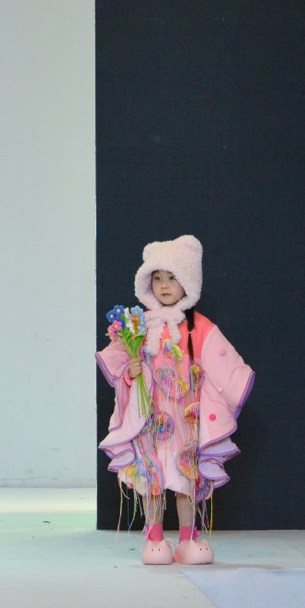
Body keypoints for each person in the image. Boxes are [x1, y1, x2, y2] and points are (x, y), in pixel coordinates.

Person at [97, 235, 253, 565]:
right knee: (152, 479)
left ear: (189, 281)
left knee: (185, 479)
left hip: (185, 420)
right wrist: (131, 371)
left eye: (172, 277)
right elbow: (119, 364)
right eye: (157, 278)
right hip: (151, 419)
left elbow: (222, 365)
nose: (164, 285)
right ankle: (155, 538)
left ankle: (187, 538)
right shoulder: (138, 325)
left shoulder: (199, 327)